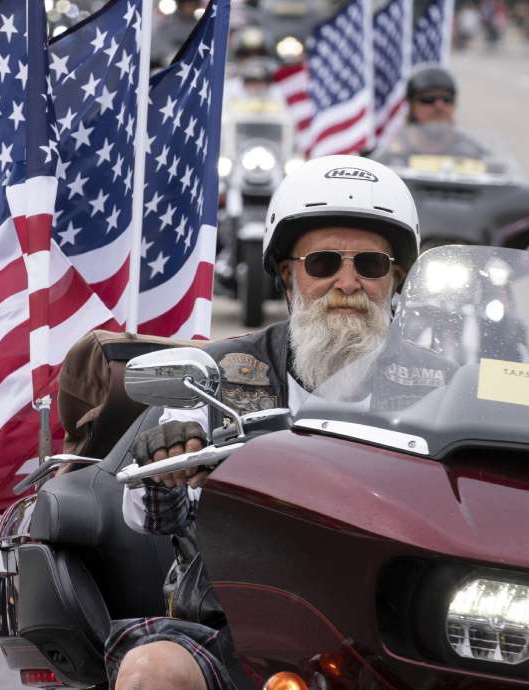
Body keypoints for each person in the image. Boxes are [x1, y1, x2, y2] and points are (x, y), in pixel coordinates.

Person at [107, 156, 450, 690]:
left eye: (371, 265)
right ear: (287, 273)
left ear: (396, 278)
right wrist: (162, 463)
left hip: (402, 631)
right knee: (153, 672)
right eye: (323, 263)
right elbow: (150, 518)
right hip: (240, 625)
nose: (347, 282)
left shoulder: (441, 384)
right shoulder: (217, 374)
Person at [376, 64, 494, 165]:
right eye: (428, 99)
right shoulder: (391, 155)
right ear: (411, 105)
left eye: (447, 99)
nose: (439, 106)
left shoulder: (472, 153)